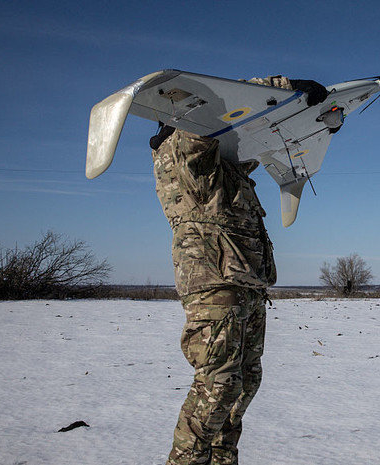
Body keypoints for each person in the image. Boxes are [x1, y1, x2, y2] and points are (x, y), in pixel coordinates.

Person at [150, 75, 328, 465]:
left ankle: (221, 459)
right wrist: (285, 86)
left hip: (247, 286)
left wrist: (309, 119)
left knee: (245, 382)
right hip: (215, 285)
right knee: (218, 384)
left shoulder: (225, 167)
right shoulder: (183, 150)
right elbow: (219, 101)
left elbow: (255, 137)